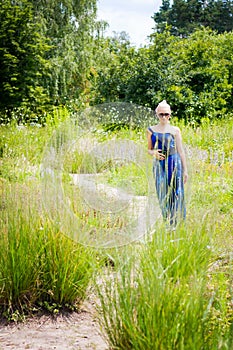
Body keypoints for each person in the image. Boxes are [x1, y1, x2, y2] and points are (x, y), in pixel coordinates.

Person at [147, 100, 188, 227]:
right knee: (162, 191)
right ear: (157, 115)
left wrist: (185, 170)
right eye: (161, 114)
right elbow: (149, 149)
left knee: (178, 191)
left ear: (170, 115)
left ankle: (178, 220)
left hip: (174, 161)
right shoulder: (151, 130)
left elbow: (181, 150)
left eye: (166, 114)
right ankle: (168, 221)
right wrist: (154, 153)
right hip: (159, 164)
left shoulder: (175, 130)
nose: (164, 117)